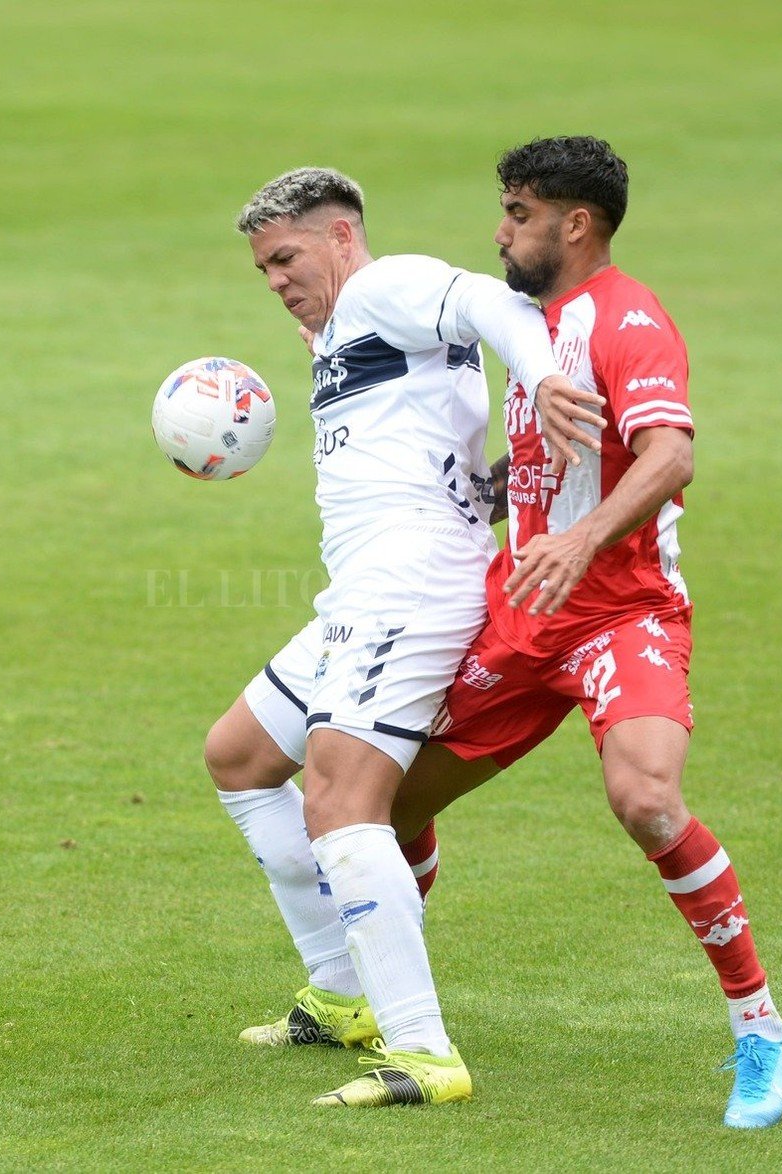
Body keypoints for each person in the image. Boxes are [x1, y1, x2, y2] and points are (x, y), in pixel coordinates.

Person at [380, 135, 782, 1129]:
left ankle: (758, 1026)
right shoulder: (527, 322)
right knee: (380, 804)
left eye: (517, 213)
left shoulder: (628, 320)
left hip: (619, 614)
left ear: (575, 222)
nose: (499, 230)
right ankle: (382, 998)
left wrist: (581, 541)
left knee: (645, 797)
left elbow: (668, 454)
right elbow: (525, 471)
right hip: (520, 618)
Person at [205, 166, 585, 1107]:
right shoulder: (352, 327)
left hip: (405, 594)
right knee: (240, 756)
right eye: (262, 269)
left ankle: (423, 1052)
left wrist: (540, 377)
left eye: (287, 257)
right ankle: (342, 995)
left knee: (340, 802)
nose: (276, 279)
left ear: (340, 237)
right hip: (359, 595)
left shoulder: (386, 284)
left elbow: (494, 304)